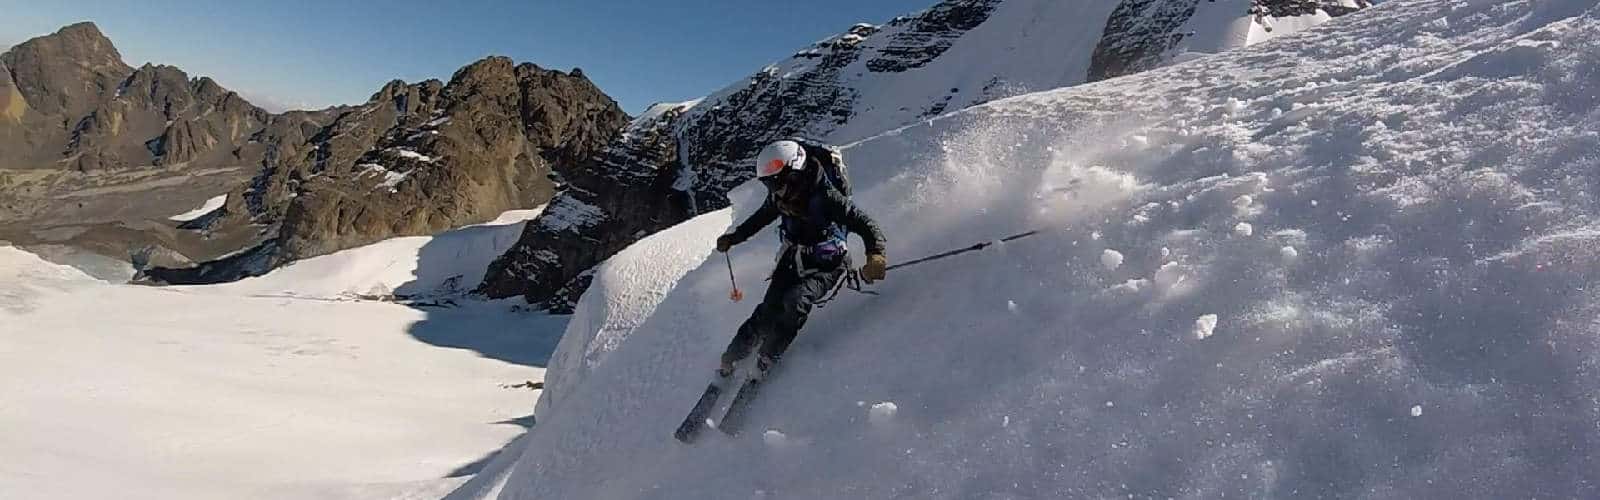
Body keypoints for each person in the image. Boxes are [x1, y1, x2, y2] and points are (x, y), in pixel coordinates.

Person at [715, 139, 888, 377]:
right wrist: (734, 238)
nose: (773, 189)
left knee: (796, 302)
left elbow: (864, 223)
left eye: (776, 182)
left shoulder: (825, 196)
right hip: (794, 257)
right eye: (769, 184)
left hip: (829, 265)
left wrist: (875, 255)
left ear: (794, 173)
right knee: (768, 309)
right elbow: (762, 217)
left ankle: (767, 356)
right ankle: (733, 356)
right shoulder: (782, 195)